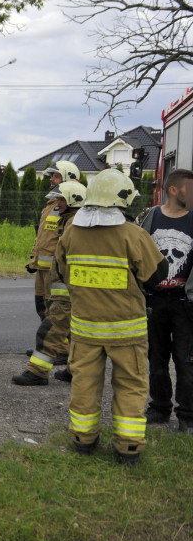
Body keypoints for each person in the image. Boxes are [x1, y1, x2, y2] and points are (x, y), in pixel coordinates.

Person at [56, 169, 167, 465]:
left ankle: (83, 440)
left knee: (84, 385)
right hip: (126, 333)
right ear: (122, 201)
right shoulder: (133, 235)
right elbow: (157, 276)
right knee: (131, 386)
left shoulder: (71, 233)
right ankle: (128, 449)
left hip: (84, 331)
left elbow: (61, 272)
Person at [12, 181, 86, 385]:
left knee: (50, 330)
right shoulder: (70, 220)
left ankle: (37, 372)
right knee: (75, 332)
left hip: (68, 288)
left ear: (74, 200)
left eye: (62, 199)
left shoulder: (75, 223)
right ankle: (74, 370)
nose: (58, 203)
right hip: (69, 286)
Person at [138, 168, 193, 435]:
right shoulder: (150, 218)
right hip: (154, 301)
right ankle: (159, 407)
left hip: (185, 305)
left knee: (186, 361)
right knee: (156, 358)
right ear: (174, 190)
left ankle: (188, 416)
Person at [27, 160, 81, 320]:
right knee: (42, 309)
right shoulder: (52, 205)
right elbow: (42, 237)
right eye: (52, 176)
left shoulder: (73, 209)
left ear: (69, 180)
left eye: (56, 176)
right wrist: (33, 260)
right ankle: (45, 345)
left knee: (57, 312)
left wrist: (59, 267)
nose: (51, 179)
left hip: (56, 271)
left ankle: (58, 346)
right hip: (42, 270)